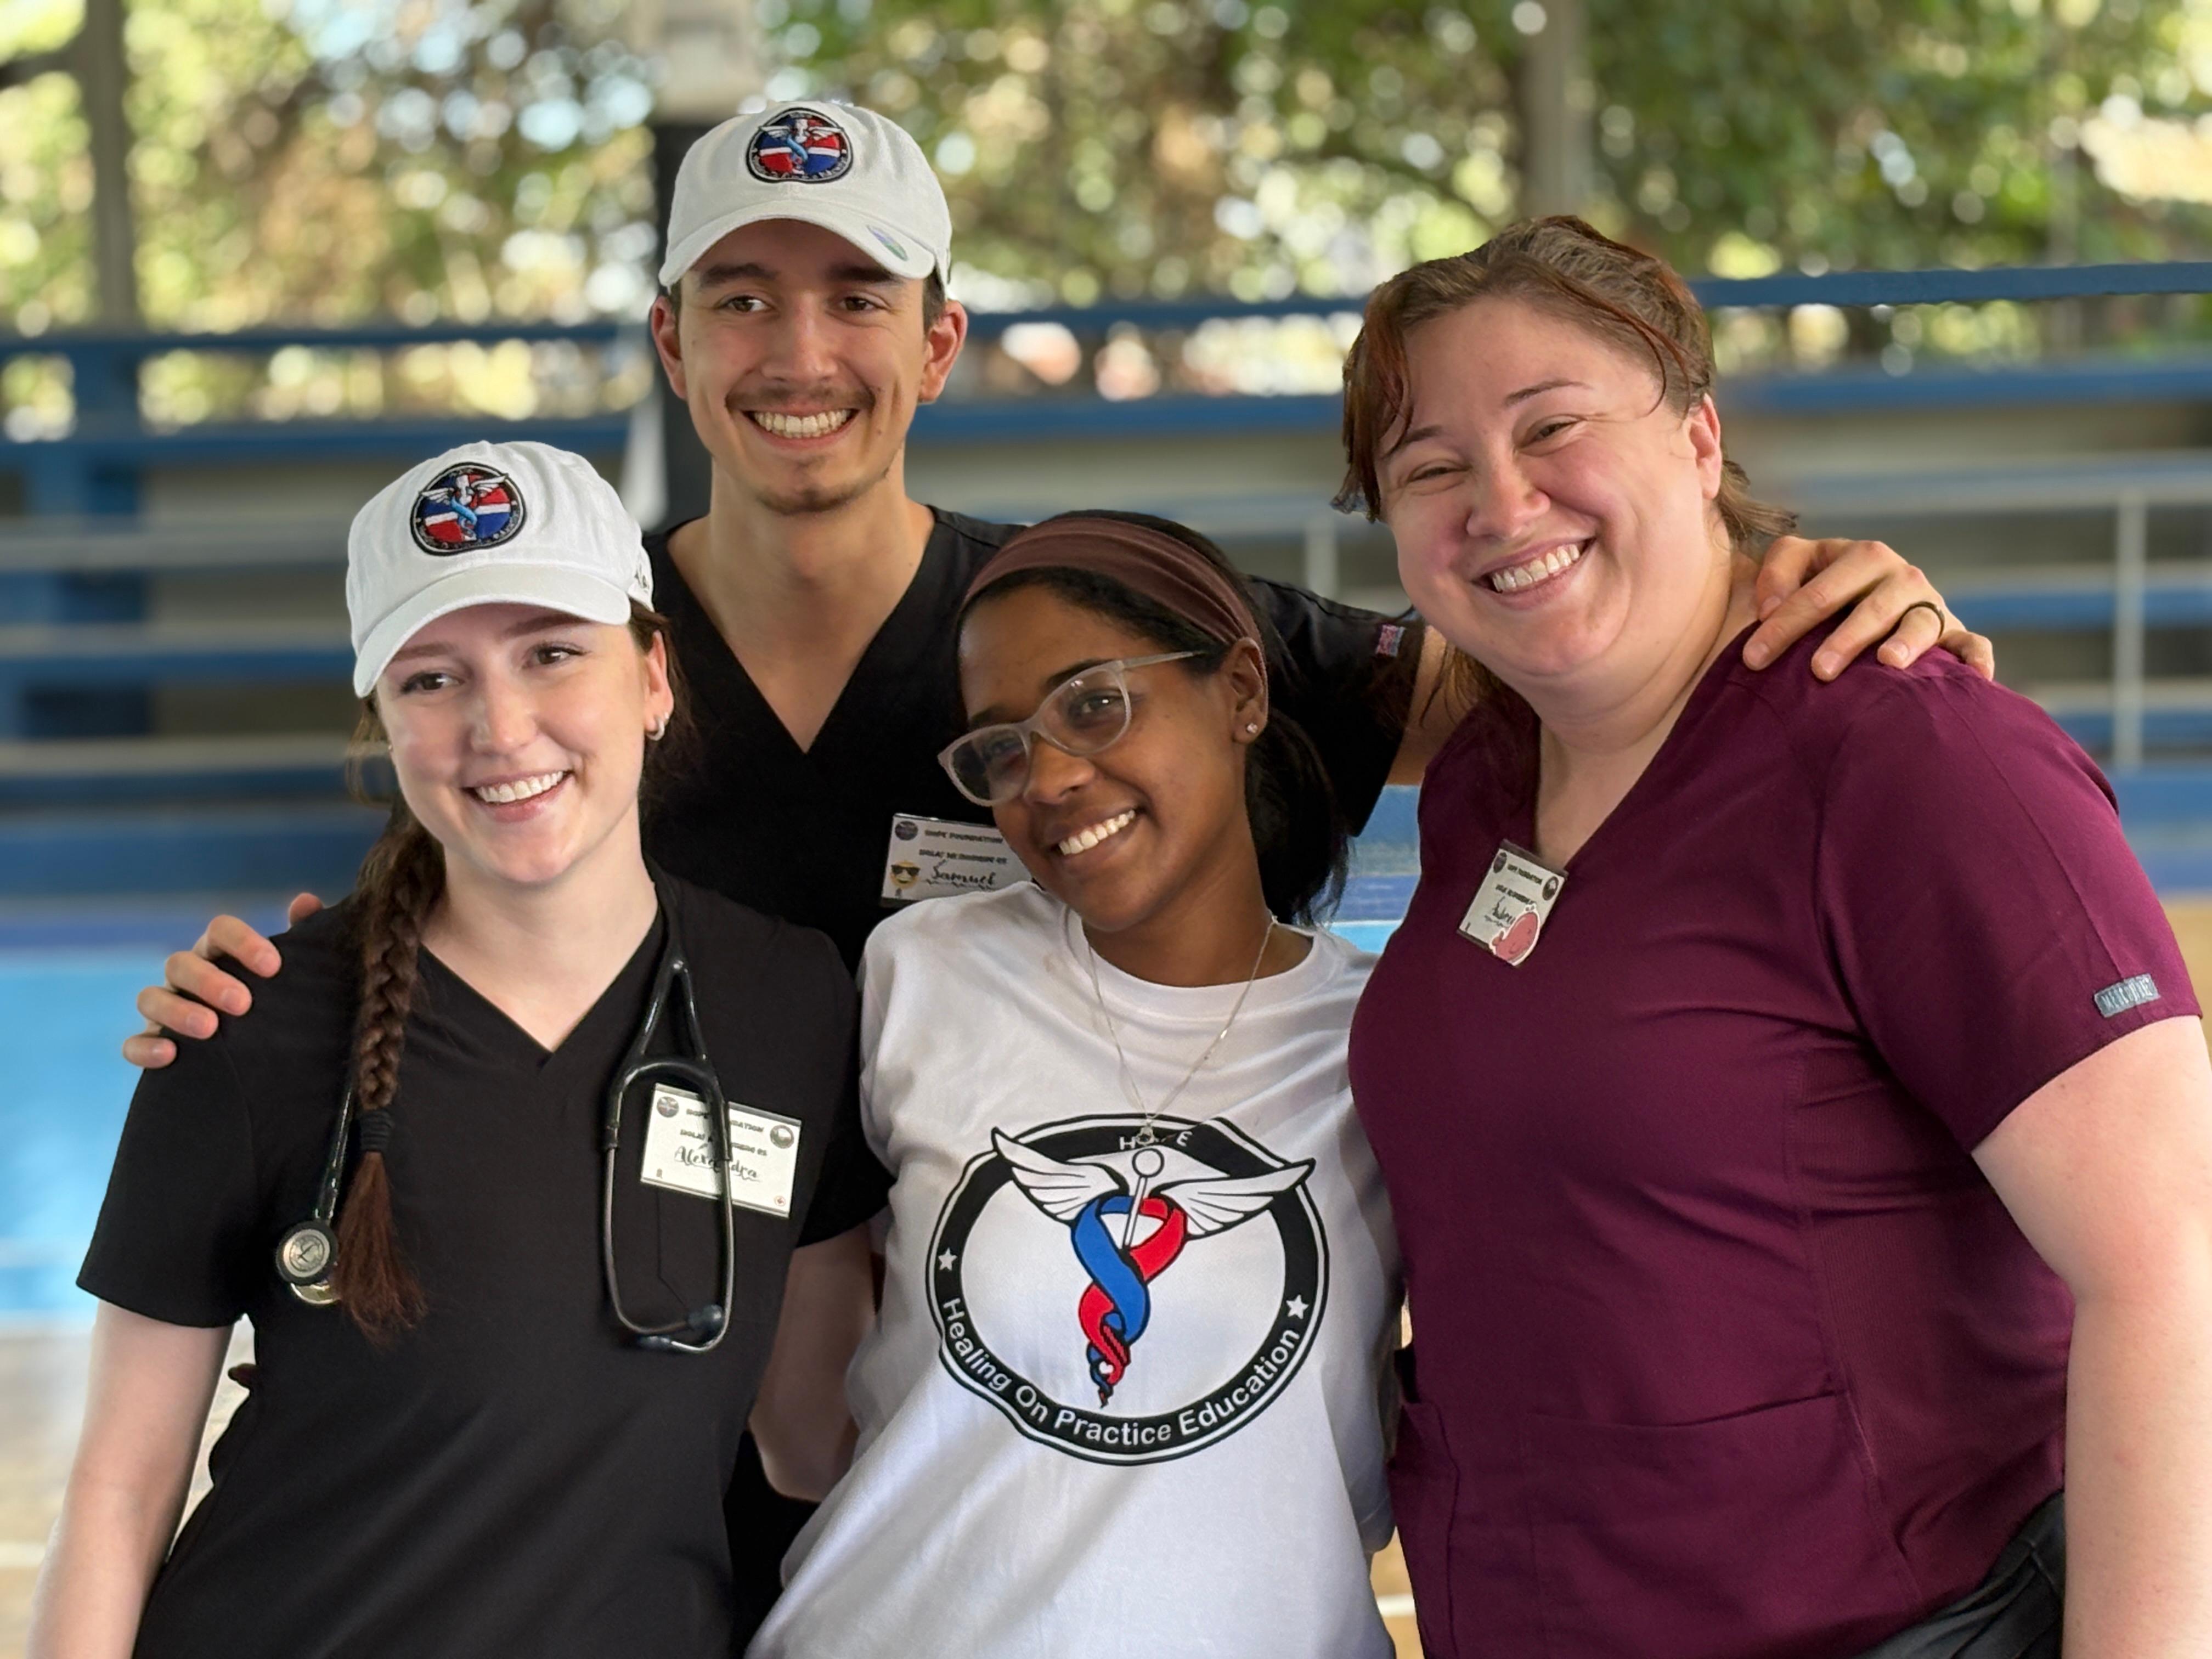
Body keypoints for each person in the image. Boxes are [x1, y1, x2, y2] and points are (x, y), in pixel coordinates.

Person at [116, 103, 1990, 1635]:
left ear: (937, 339)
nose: (797, 353)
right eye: (742, 299)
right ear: (673, 342)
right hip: (665, 1532)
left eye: (854, 295)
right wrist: (254, 998)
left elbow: (1533, 645)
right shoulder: (573, 657)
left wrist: (1780, 592)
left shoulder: (1071, 626)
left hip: (991, 1502)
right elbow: (434, 937)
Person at [1339, 218, 2212, 1659]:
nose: (1500, 500)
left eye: (1553, 425)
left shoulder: (1914, 755)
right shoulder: (1486, 776)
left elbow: (2169, 1263)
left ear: (1696, 440)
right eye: (1430, 468)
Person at [29, 443, 880, 1659]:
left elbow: (815, 1438)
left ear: (651, 676)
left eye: (550, 652)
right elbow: (118, 1493)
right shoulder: (252, 1030)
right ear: (385, 724)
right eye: (433, 679)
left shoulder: (788, 1000)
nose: (501, 726)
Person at [750, 512, 1403, 1658]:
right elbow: (805, 1428)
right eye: (1001, 747)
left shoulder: (1389, 1038)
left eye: (1094, 703)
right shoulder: (923, 970)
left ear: (1242, 690)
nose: (1047, 778)